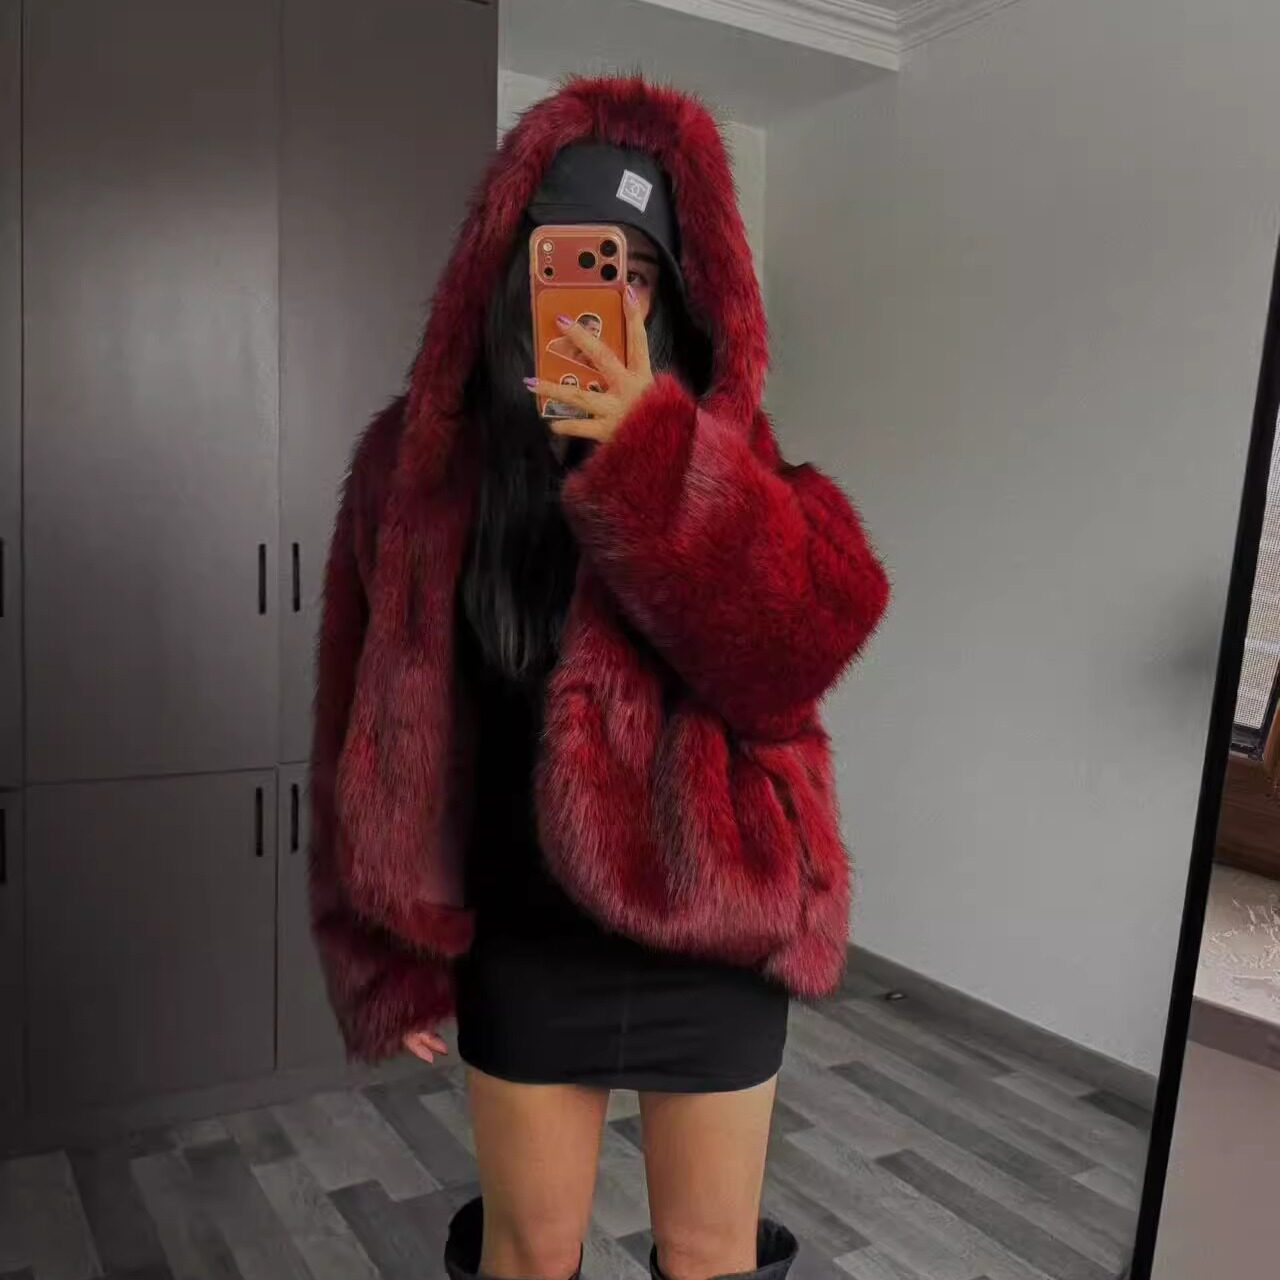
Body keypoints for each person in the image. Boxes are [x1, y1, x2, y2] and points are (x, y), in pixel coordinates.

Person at [309, 74, 891, 1280]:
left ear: (672, 293)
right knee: (527, 1253)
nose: (605, 293)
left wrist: (647, 454)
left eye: (634, 269)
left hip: (715, 918)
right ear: (509, 272)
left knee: (710, 1254)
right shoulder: (421, 468)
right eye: (574, 261)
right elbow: (363, 717)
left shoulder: (726, 456)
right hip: (525, 935)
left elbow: (796, 653)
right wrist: (384, 943)